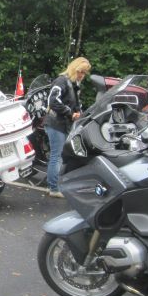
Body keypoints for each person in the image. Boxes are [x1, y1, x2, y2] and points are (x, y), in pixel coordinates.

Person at [44, 56, 91, 198]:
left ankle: (53, 185)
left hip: (63, 124)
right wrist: (70, 113)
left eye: (84, 73)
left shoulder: (73, 84)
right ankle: (53, 188)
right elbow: (53, 101)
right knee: (56, 156)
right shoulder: (62, 81)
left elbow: (75, 104)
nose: (82, 75)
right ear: (74, 69)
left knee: (59, 156)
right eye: (80, 71)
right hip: (55, 123)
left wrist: (79, 113)